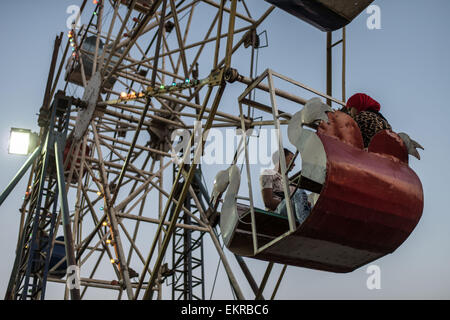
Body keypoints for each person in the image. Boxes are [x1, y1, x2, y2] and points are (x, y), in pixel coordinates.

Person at [260, 148, 311, 224]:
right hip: (277, 211)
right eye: (291, 159)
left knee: (318, 209)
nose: (294, 164)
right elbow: (268, 202)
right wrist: (296, 201)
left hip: (294, 210)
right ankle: (306, 228)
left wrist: (304, 202)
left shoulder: (290, 183)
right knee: (299, 193)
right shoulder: (268, 174)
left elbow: (302, 202)